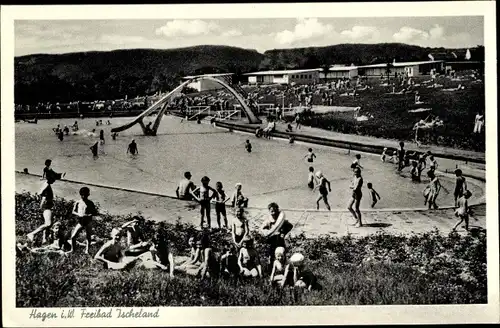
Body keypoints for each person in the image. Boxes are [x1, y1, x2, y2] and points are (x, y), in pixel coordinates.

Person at [26, 176, 56, 244]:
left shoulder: (47, 185)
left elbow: (41, 194)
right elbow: (44, 197)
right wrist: (41, 206)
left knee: (48, 225)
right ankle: (32, 234)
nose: (54, 181)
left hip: (48, 207)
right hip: (47, 207)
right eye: (53, 179)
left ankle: (44, 240)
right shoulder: (47, 186)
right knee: (48, 224)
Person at [67, 187, 97, 254]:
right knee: (73, 236)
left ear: (88, 194)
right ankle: (73, 249)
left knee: (88, 236)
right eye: (82, 195)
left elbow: (95, 212)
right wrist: (79, 214)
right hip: (81, 222)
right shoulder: (78, 202)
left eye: (85, 195)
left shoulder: (90, 203)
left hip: (88, 221)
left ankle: (87, 250)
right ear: (80, 195)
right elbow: (73, 211)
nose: (83, 196)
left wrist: (89, 215)